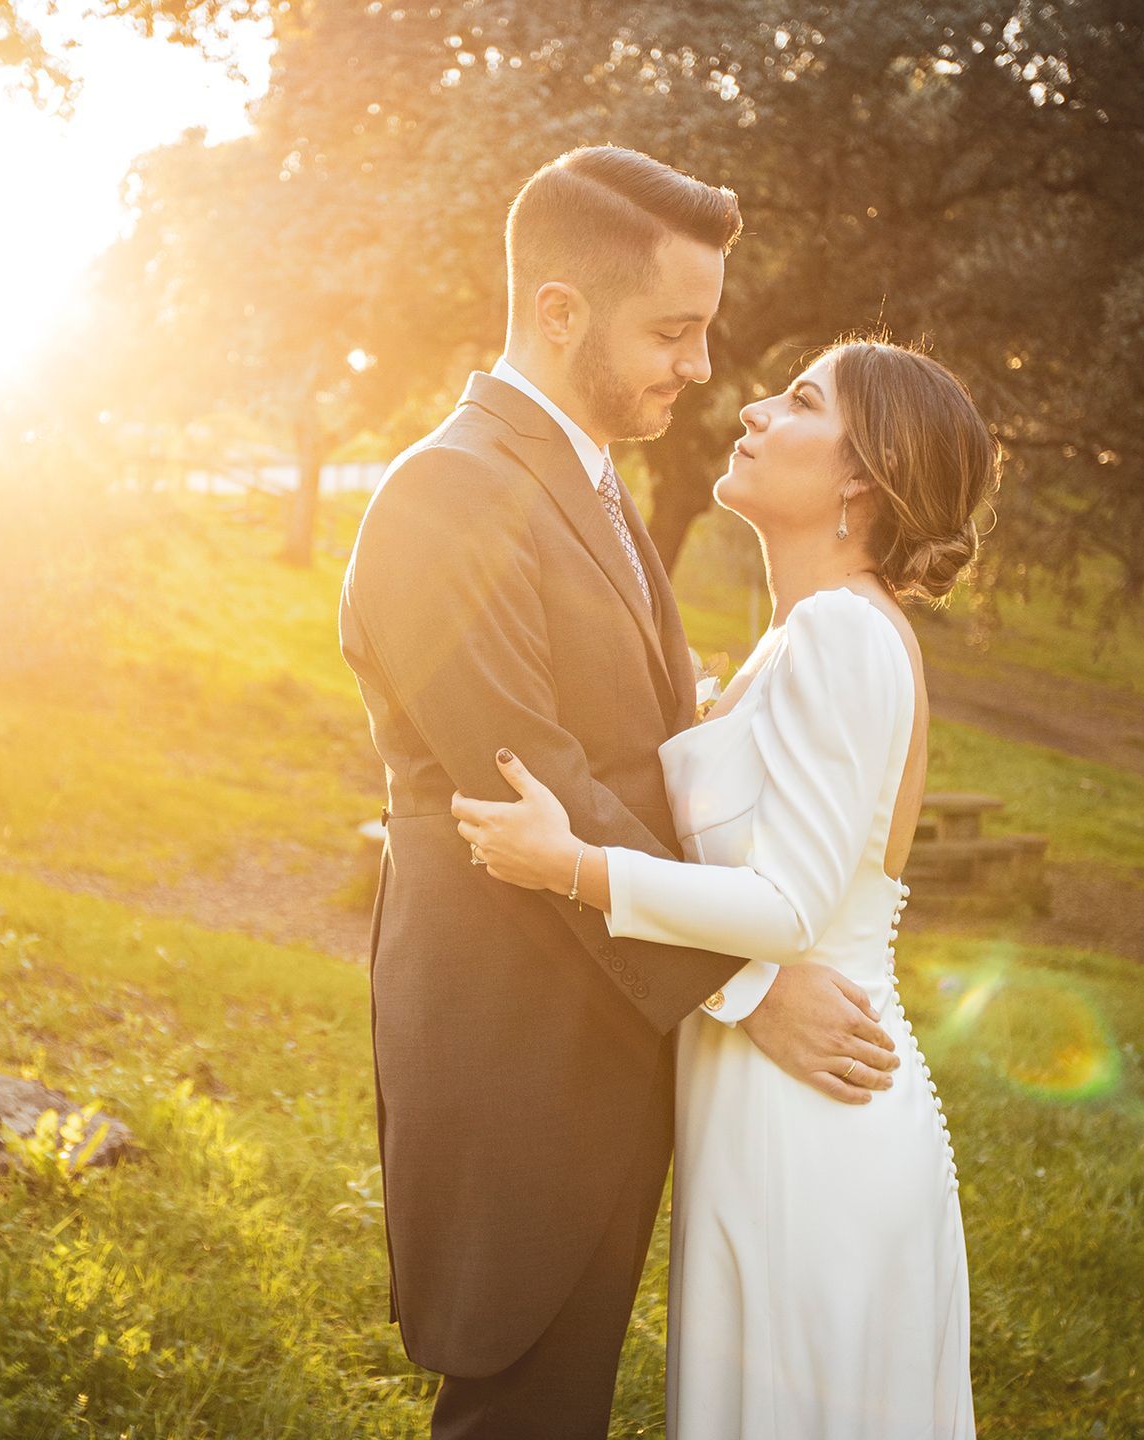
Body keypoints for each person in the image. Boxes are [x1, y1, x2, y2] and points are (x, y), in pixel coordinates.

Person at [337, 145, 904, 1440]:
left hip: (600, 1032)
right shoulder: (446, 495)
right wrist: (750, 986)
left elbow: (644, 763)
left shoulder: (591, 487)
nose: (701, 367)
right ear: (557, 311)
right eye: (673, 330)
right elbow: (529, 788)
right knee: (519, 1408)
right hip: (515, 1043)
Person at [454, 336, 1001, 1437]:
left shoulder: (844, 632)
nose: (751, 408)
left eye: (799, 400)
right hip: (758, 1100)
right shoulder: (798, 637)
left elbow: (792, 910)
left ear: (861, 474)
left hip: (813, 1123)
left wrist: (576, 867)